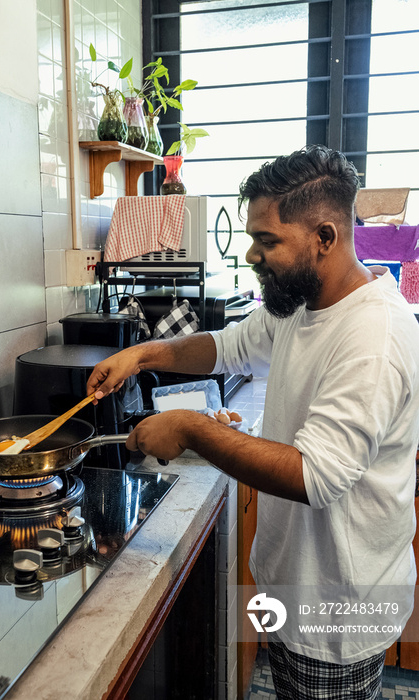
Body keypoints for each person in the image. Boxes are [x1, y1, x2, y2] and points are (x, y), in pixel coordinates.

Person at [87, 145, 419, 699]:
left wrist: (193, 429)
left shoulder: (374, 336)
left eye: (268, 241)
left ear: (325, 238)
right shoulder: (301, 303)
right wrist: (143, 355)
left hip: (336, 611)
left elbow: (315, 476)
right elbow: (227, 347)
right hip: (295, 586)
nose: (252, 254)